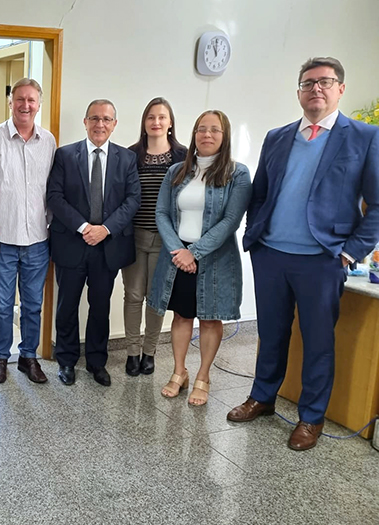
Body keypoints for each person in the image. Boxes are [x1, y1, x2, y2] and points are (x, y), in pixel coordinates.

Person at [227, 57, 379, 450]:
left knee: (317, 341)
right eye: (308, 83)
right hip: (272, 255)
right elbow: (259, 192)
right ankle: (262, 397)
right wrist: (255, 238)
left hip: (322, 260)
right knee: (271, 333)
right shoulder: (278, 136)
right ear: (298, 92)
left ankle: (311, 418)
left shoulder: (363, 137)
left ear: (340, 89)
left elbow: (377, 205)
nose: (316, 89)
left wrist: (350, 253)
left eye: (325, 82)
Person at [148, 110, 251, 406]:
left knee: (209, 318)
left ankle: (203, 376)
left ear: (225, 136)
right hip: (177, 256)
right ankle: (179, 372)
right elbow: (162, 214)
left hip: (215, 260)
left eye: (214, 130)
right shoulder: (177, 171)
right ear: (193, 135)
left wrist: (194, 252)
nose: (207, 135)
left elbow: (230, 221)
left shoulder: (237, 174)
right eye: (201, 129)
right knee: (181, 315)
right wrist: (178, 252)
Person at [47, 99, 141, 386]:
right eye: (95, 118)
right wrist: (85, 226)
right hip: (71, 244)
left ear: (114, 125)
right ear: (85, 122)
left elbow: (132, 199)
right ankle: (66, 360)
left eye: (106, 119)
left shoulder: (126, 159)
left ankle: (97, 362)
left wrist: (106, 229)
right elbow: (55, 197)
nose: (100, 124)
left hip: (106, 248)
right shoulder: (65, 155)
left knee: (100, 307)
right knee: (67, 306)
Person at [0, 78, 57, 384]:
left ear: (39, 104)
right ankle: (0, 358)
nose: (26, 105)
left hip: (38, 239)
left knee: (33, 304)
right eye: (20, 99)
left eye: (31, 100)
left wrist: (49, 224)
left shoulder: (48, 141)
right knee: (1, 305)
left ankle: (28, 357)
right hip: (2, 239)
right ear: (10, 102)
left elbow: (51, 187)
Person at [124, 98, 187, 376]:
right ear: (144, 122)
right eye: (151, 117)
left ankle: (150, 352)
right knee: (133, 295)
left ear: (170, 122)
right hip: (134, 236)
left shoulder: (184, 157)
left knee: (157, 298)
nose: (156, 122)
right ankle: (131, 352)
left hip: (167, 241)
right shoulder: (130, 155)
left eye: (162, 117)